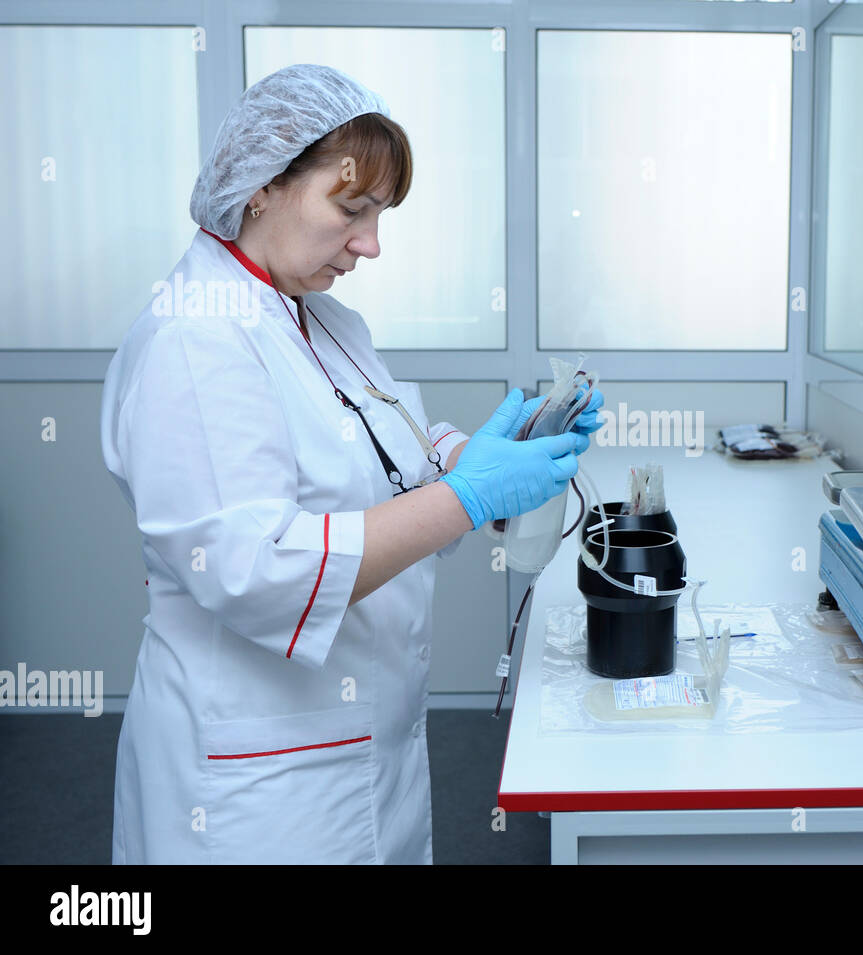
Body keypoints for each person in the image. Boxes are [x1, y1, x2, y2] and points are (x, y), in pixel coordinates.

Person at [99, 63, 602, 863]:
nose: (370, 244)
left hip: (353, 743)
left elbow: (385, 457)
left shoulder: (320, 317)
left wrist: (481, 456)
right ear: (262, 185)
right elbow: (258, 566)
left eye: (379, 215)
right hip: (255, 790)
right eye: (351, 209)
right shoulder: (195, 341)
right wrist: (469, 497)